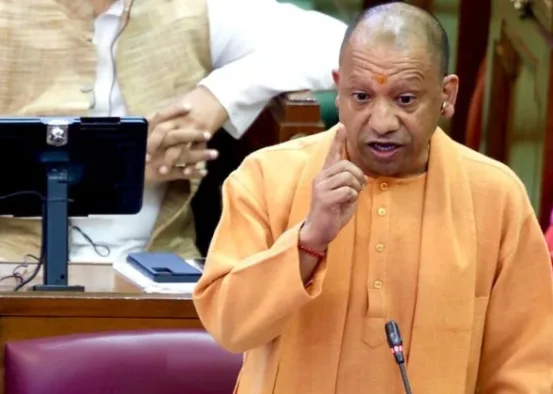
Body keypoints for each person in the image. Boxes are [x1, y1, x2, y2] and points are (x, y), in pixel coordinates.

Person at [193, 3, 553, 393]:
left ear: (446, 94)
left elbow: (528, 373)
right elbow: (229, 328)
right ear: (338, 89)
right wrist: (308, 241)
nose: (382, 122)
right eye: (361, 97)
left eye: (405, 99)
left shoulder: (495, 197)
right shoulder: (268, 177)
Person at [0, 0, 346, 263]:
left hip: (160, 266)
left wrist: (217, 97)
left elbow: (340, 45)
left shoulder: (188, 9)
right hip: (14, 265)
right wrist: (121, 169)